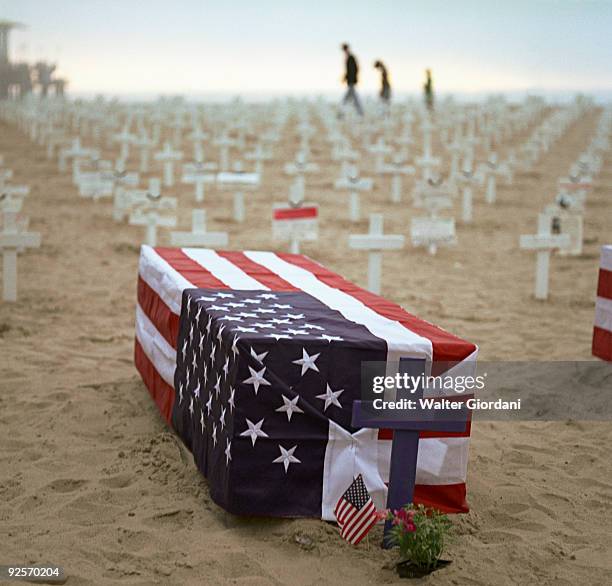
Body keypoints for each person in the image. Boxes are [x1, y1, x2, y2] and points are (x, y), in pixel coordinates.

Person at [340, 43, 363, 116]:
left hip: (351, 82)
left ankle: (341, 114)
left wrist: (351, 78)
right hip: (351, 82)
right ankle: (359, 113)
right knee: (353, 99)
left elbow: (353, 70)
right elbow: (350, 70)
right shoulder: (349, 57)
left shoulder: (350, 57)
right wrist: (345, 77)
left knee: (347, 99)